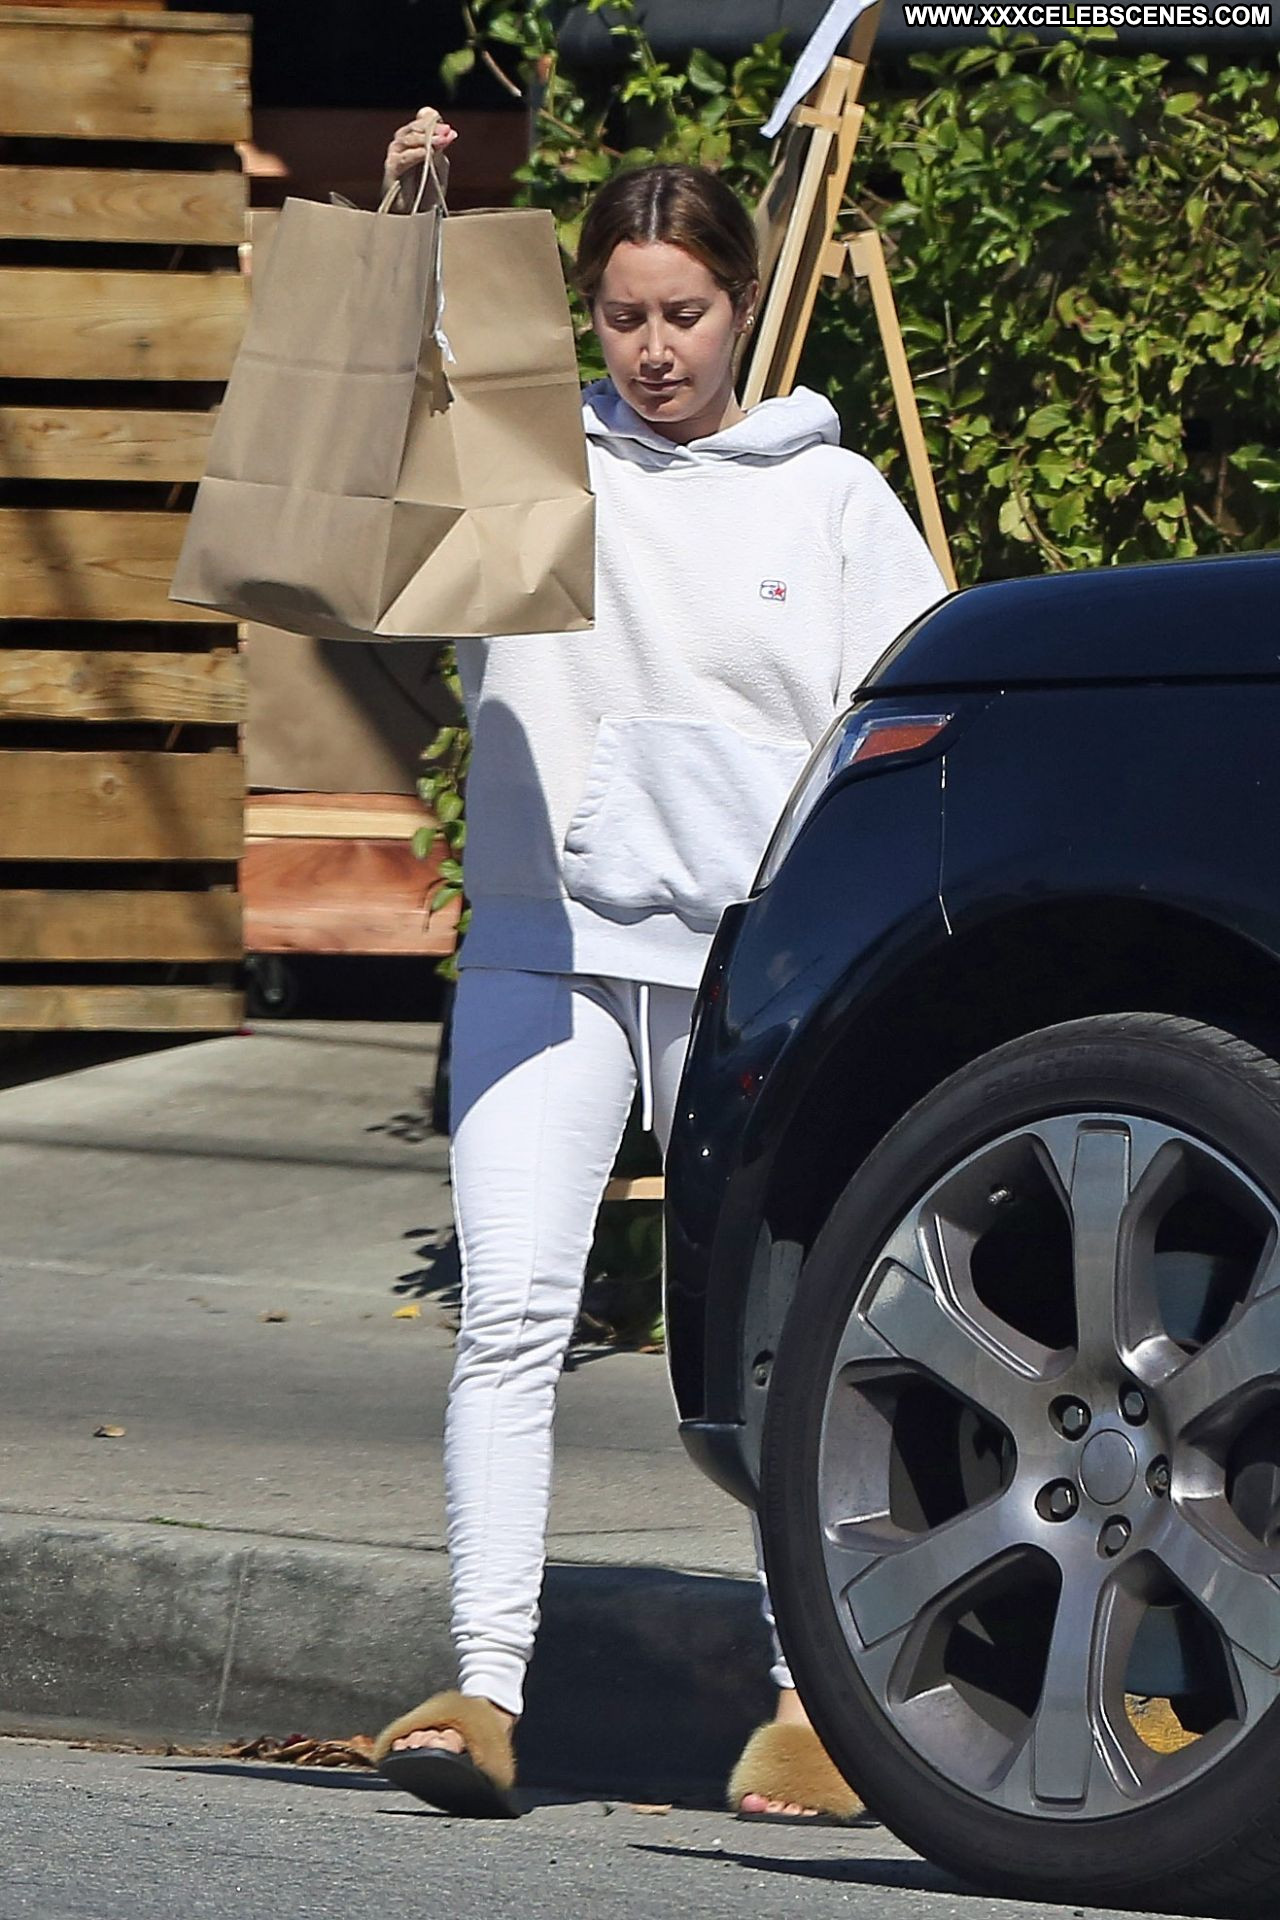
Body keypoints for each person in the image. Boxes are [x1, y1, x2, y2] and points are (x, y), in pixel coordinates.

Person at [370, 108, 948, 1822]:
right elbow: (365, 449)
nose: (653, 349)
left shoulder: (833, 499)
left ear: (741, 307)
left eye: (683, 313)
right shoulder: (537, 471)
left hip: (750, 974)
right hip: (541, 952)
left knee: (780, 1335)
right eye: (621, 316)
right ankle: (481, 1693)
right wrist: (407, 225)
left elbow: (912, 717)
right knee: (511, 1317)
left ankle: (813, 1704)